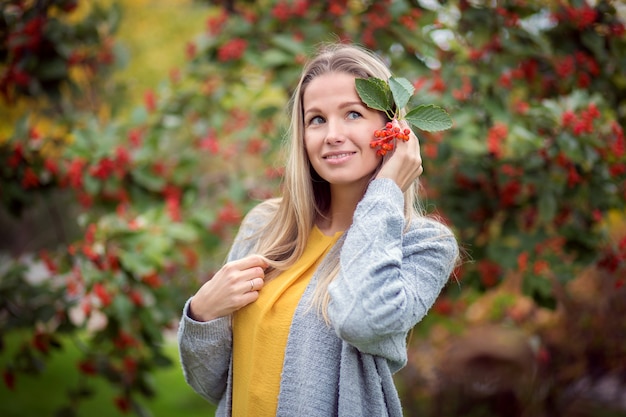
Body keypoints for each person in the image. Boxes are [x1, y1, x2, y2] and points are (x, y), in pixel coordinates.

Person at [177, 42, 459, 417]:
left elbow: (361, 318)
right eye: (317, 119)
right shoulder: (265, 227)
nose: (332, 135)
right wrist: (203, 312)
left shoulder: (424, 245)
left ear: (393, 128)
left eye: (353, 114)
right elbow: (212, 382)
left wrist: (387, 189)